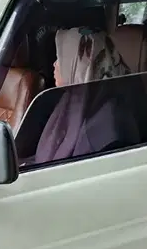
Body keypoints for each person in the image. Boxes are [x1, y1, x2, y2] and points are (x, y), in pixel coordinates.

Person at [32, 27, 139, 165]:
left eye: (61, 58)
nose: (55, 64)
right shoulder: (74, 98)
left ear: (80, 65)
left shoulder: (109, 126)